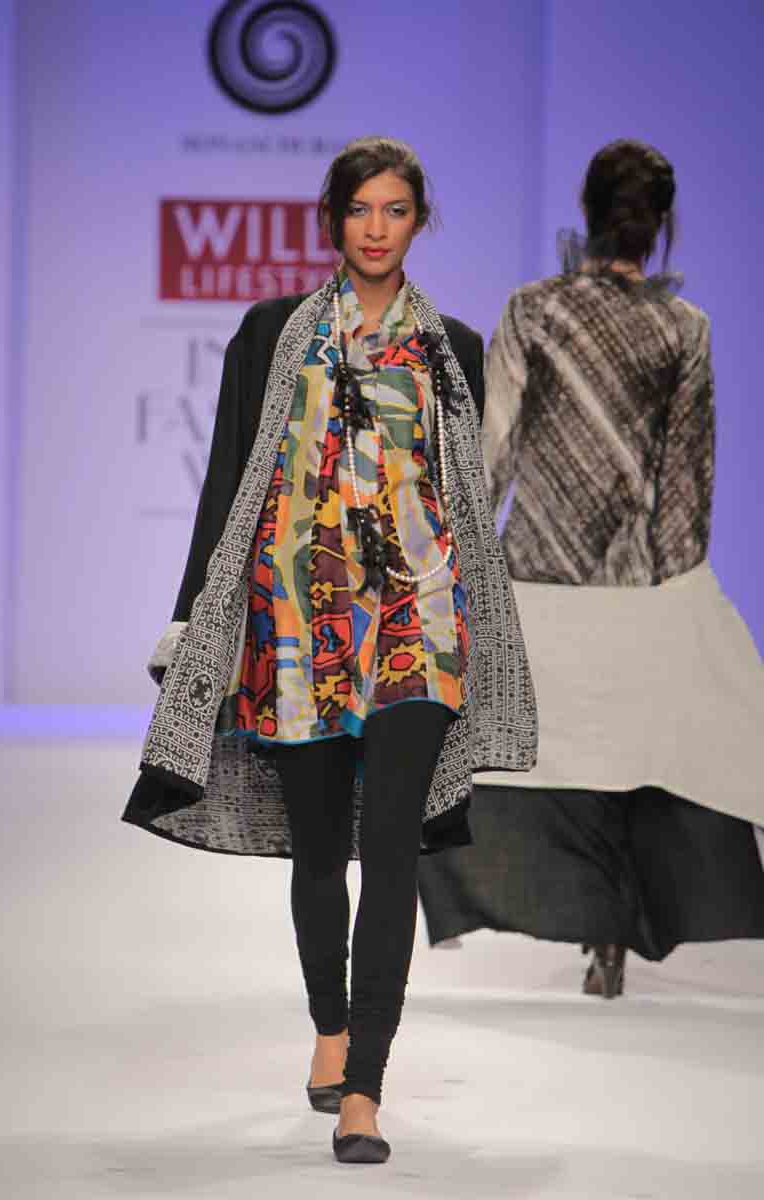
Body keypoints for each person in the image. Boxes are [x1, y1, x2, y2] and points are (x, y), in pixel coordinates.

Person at [122, 136, 537, 1163]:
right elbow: (229, 482)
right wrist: (194, 621)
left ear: (418, 221)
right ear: (332, 218)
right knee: (317, 854)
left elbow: (466, 498)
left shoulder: (453, 349)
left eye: (394, 209)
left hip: (415, 624)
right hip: (296, 624)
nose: (375, 228)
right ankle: (329, 1026)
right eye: (359, 208)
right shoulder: (272, 334)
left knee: (390, 847)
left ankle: (364, 1090)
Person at [418, 139, 764, 998]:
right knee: (635, 759)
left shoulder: (534, 311)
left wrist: (459, 558)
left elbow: (492, 447)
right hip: (634, 579)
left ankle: (576, 919)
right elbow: (687, 479)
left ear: (586, 208)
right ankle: (613, 938)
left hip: (538, 573)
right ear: (662, 222)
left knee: (551, 760)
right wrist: (677, 589)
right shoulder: (684, 328)